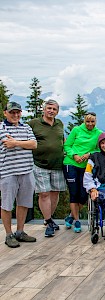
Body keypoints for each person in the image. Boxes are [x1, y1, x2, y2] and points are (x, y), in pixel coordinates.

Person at [0, 102, 37, 248]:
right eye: (12, 112)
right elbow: (7, 144)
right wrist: (24, 143)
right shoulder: (1, 128)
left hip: (27, 170)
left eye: (18, 112)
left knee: (24, 202)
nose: (15, 115)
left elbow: (34, 145)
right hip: (8, 171)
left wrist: (15, 142)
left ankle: (20, 231)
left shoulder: (26, 127)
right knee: (7, 204)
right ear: (5, 113)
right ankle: (9, 234)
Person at [28, 99, 66, 237]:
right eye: (49, 108)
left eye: (54, 109)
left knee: (55, 192)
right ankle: (49, 222)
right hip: (40, 163)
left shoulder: (59, 123)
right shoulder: (34, 123)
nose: (51, 111)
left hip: (57, 164)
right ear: (44, 109)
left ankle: (48, 218)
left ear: (57, 111)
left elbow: (62, 140)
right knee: (44, 193)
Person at [63, 112, 102, 233]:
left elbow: (99, 148)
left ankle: (71, 216)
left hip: (87, 166)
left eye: (92, 121)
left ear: (96, 122)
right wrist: (74, 155)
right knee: (74, 192)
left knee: (84, 195)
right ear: (84, 121)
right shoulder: (76, 130)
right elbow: (67, 145)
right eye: (88, 121)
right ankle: (77, 220)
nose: (90, 124)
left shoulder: (98, 133)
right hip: (71, 164)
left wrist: (89, 154)